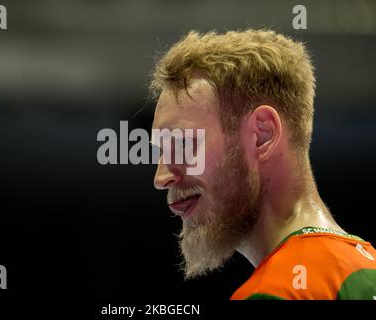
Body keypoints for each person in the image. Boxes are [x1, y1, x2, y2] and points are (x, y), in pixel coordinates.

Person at [150, 29, 376, 300]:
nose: (161, 176)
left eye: (183, 143)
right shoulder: (367, 269)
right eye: (162, 150)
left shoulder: (275, 292)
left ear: (262, 134)